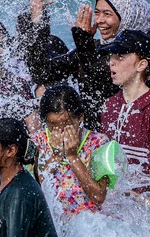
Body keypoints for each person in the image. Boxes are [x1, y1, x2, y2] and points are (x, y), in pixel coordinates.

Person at [39, 0, 150, 126]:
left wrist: (83, 41)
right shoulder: (92, 47)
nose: (99, 20)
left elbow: (99, 88)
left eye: (107, 14)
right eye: (97, 13)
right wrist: (37, 23)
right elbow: (42, 72)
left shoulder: (139, 53)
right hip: (91, 139)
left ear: (126, 16)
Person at [97, 30, 150, 188]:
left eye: (120, 56)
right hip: (113, 194)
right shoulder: (110, 105)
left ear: (141, 64)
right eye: (112, 55)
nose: (112, 61)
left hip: (143, 199)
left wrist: (135, 195)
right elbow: (103, 158)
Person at [31, 84, 116, 216]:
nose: (62, 132)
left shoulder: (98, 143)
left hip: (88, 224)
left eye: (68, 125)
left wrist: (72, 157)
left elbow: (98, 197)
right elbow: (35, 191)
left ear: (80, 117)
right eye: (53, 126)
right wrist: (57, 155)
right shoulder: (38, 142)